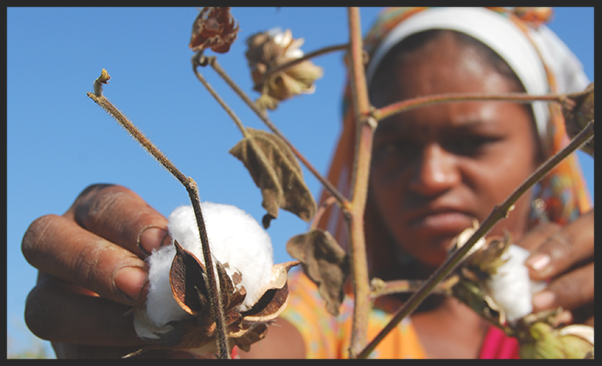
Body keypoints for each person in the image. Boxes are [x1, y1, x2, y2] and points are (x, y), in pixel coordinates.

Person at [22, 7, 593, 359]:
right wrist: (183, 337)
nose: (431, 176)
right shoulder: (333, 314)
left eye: (472, 141)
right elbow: (280, 342)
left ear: (549, 152)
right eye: (392, 144)